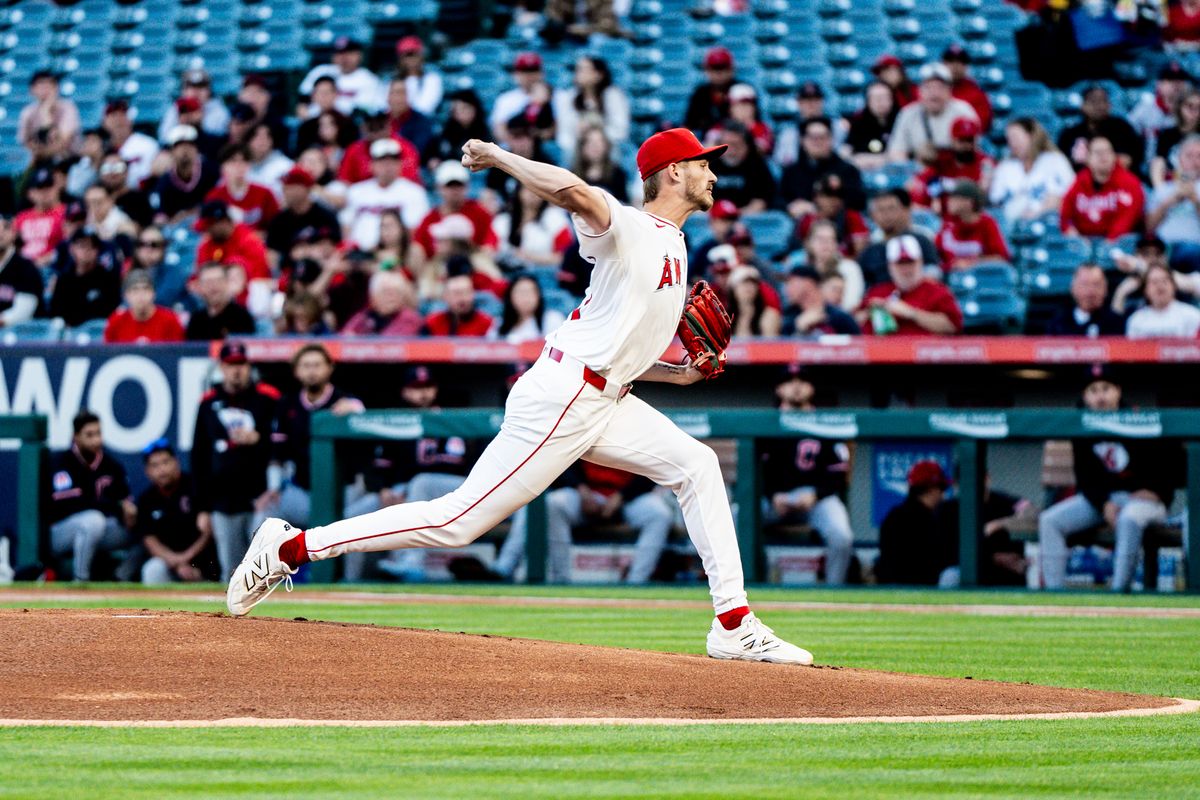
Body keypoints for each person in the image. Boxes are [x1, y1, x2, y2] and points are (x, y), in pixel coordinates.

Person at [228, 126, 816, 666]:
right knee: (456, 522)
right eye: (702, 164)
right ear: (672, 173)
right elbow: (575, 192)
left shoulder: (676, 244)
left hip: (606, 395)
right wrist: (499, 157)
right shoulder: (631, 225)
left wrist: (677, 375)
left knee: (698, 464)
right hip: (565, 396)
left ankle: (733, 623)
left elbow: (623, 351)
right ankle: (292, 547)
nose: (713, 174)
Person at [1038, 367, 1179, 592]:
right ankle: (1054, 593)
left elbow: (1173, 467)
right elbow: (1085, 478)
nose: (1100, 396)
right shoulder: (1081, 425)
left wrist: (1157, 491)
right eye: (1093, 390)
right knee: (1049, 520)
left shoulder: (1140, 419)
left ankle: (1118, 592)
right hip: (1103, 501)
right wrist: (1103, 503)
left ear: (1118, 392)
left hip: (1144, 502)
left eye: (1106, 389)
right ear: (1086, 397)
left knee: (1128, 518)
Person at [341, 365, 481, 582]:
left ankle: (410, 559)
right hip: (404, 492)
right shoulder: (396, 422)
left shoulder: (451, 418)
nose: (423, 392)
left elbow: (466, 464)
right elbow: (377, 469)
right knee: (353, 515)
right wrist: (384, 491)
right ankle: (349, 581)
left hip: (454, 490)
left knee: (421, 482)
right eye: (416, 387)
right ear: (405, 391)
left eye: (427, 386)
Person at [193, 341, 280, 582]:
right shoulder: (208, 402)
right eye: (231, 365)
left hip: (260, 495)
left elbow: (282, 444)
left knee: (264, 566)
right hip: (224, 497)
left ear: (248, 365)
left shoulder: (267, 398)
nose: (237, 370)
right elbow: (199, 455)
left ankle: (274, 617)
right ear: (222, 367)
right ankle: (232, 620)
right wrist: (202, 506)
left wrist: (259, 439)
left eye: (241, 364)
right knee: (231, 572)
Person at [760, 365, 854, 585]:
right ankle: (747, 584)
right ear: (779, 389)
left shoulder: (826, 423)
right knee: (735, 518)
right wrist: (772, 495)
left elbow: (839, 473)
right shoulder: (766, 423)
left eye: (802, 380)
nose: (796, 387)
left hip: (816, 500)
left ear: (812, 388)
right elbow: (754, 472)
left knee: (842, 535)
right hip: (774, 501)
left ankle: (834, 594)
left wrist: (816, 494)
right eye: (789, 381)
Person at [256, 343, 364, 530]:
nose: (312, 371)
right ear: (296, 371)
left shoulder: (344, 400)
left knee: (355, 522)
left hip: (343, 491)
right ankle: (257, 560)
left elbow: (362, 413)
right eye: (306, 366)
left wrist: (355, 411)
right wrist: (273, 488)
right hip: (302, 490)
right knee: (266, 510)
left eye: (317, 365)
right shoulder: (287, 404)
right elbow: (277, 454)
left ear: (330, 368)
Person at [46, 411, 136, 582]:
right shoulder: (61, 462)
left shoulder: (111, 465)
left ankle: (120, 579)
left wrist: (129, 511)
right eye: (89, 435)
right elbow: (70, 504)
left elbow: (124, 500)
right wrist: (115, 506)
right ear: (76, 437)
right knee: (93, 520)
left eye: (98, 433)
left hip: (99, 531)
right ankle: (81, 581)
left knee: (142, 529)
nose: (96, 440)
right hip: (60, 533)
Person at [137, 440, 219, 585]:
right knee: (152, 570)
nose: (162, 469)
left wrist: (186, 559)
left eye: (165, 462)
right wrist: (176, 562)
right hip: (170, 562)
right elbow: (150, 540)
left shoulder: (196, 488)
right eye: (155, 465)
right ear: (147, 471)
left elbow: (208, 531)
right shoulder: (146, 500)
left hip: (203, 561)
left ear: (176, 462)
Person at [858, 235, 963, 336]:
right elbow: (854, 324)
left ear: (920, 262)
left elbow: (953, 326)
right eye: (900, 263)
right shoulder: (877, 292)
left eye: (910, 262)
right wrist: (870, 312)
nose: (906, 269)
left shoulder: (938, 291)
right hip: (881, 351)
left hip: (924, 351)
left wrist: (910, 313)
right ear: (890, 266)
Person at [341, 138, 430, 250]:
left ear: (400, 164)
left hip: (396, 254)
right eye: (382, 160)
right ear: (371, 164)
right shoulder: (356, 191)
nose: (387, 165)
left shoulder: (414, 192)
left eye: (392, 160)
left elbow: (415, 230)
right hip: (359, 255)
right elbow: (346, 226)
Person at [875, 460, 954, 586]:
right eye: (941, 488)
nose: (942, 494)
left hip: (890, 586)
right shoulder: (932, 519)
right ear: (931, 489)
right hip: (921, 586)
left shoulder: (894, 514)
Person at [989, 117, 1077, 227]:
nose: (1012, 143)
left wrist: (1044, 209)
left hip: (1050, 224)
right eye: (1009, 139)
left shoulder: (1055, 160)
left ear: (1031, 136)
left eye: (1016, 137)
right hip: (1013, 227)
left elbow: (1073, 194)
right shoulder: (1004, 167)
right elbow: (996, 202)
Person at [886, 64, 979, 164]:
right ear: (919, 91)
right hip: (920, 172)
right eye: (928, 87)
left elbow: (976, 151)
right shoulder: (908, 114)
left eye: (940, 87)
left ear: (950, 90)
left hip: (956, 172)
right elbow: (896, 153)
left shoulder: (964, 111)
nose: (934, 94)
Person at [194, 200, 272, 314]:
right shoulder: (207, 245)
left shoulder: (248, 241)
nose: (207, 230)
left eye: (210, 225)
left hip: (247, 301)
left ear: (223, 222)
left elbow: (258, 279)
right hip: (213, 301)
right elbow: (198, 275)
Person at [1060, 136, 1146, 241]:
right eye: (1098, 152)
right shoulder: (1079, 181)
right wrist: (1076, 239)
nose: (1103, 156)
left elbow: (1127, 220)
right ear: (1088, 158)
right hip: (1084, 243)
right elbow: (1066, 216)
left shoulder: (1130, 183)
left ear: (1114, 156)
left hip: (1119, 244)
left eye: (1107, 152)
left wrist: (1107, 245)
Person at [412, 161, 498, 263]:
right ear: (439, 188)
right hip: (438, 268)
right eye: (449, 186)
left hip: (472, 265)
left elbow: (490, 241)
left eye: (459, 185)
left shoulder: (479, 213)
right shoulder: (430, 219)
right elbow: (419, 246)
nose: (455, 190)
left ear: (467, 186)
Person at [780, 117, 866, 219]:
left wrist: (821, 207)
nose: (818, 142)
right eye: (812, 137)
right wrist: (791, 207)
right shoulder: (791, 172)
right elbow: (779, 201)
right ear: (802, 141)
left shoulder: (847, 170)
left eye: (822, 137)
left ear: (831, 139)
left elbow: (858, 201)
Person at [858, 188, 941, 286]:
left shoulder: (921, 241)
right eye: (880, 210)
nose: (886, 214)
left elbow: (934, 275)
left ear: (903, 210)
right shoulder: (869, 252)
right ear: (873, 216)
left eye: (891, 208)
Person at [553, 56, 630, 159]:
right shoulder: (568, 97)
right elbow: (564, 135)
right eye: (577, 69)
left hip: (607, 150)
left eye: (583, 69)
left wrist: (595, 133)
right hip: (576, 151)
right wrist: (579, 137)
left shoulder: (613, 96)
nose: (578, 72)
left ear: (598, 75)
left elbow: (621, 131)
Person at [265, 167, 342, 270]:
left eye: (290, 187)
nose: (285, 191)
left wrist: (305, 252)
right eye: (285, 187)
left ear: (305, 188)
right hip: (288, 274)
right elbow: (272, 256)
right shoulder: (279, 220)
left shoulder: (325, 215)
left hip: (322, 271)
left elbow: (331, 248)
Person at [910, 117, 995, 208]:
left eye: (970, 140)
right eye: (962, 140)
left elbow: (982, 191)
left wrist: (950, 185)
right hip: (939, 213)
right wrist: (935, 198)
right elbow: (924, 179)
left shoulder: (985, 162)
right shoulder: (942, 159)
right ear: (953, 140)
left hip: (968, 213)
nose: (966, 145)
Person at [1057, 85, 1145, 174]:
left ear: (1109, 105)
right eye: (1093, 101)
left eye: (1104, 101)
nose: (1100, 105)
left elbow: (1127, 160)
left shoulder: (1122, 128)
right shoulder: (1070, 134)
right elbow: (1062, 164)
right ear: (1083, 105)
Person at [1146, 134, 1200, 271]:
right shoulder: (1163, 189)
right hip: (1163, 249)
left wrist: (1194, 200)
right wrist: (1171, 200)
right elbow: (1149, 227)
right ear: (1178, 159)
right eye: (1189, 156)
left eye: (1198, 156)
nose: (1194, 161)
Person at [49, 229, 121, 327]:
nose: (87, 250)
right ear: (72, 249)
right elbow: (56, 313)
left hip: (97, 334)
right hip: (69, 335)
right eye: (82, 246)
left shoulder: (109, 279)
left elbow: (112, 312)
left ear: (98, 250)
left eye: (93, 246)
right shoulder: (64, 280)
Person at [935, 181, 1011, 270]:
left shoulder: (987, 223)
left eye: (954, 198)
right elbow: (937, 256)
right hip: (952, 277)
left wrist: (971, 263)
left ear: (969, 202)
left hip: (980, 278)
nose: (949, 201)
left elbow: (1001, 259)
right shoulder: (948, 223)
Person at [493, 184, 574, 268]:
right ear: (518, 191)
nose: (532, 194)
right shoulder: (502, 220)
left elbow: (563, 257)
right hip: (504, 270)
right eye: (527, 189)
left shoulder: (556, 219)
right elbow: (488, 250)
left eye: (537, 190)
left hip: (543, 273)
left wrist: (529, 257)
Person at [298, 37, 382, 117]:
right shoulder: (320, 71)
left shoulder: (369, 79)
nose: (344, 57)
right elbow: (302, 101)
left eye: (349, 52)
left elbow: (366, 110)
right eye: (339, 53)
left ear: (359, 55)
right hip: (317, 123)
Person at [153, 125, 219, 224]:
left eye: (189, 145)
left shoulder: (211, 172)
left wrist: (190, 213)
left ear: (196, 148)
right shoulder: (165, 181)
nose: (185, 150)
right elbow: (160, 215)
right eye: (180, 146)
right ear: (172, 151)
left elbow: (219, 202)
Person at [792, 174, 870, 257]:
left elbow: (861, 253)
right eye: (828, 195)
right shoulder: (807, 220)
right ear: (816, 197)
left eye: (838, 195)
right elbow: (806, 254)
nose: (834, 200)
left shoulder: (852, 217)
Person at [205, 145, 279, 232]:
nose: (239, 165)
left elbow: (276, 228)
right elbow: (207, 230)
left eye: (244, 160)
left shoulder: (265, 194)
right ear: (223, 167)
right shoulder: (214, 197)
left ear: (249, 165)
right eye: (233, 161)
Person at [1127, 62, 1191, 158]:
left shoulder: (1193, 111)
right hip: (1146, 167)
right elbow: (1127, 136)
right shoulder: (1144, 109)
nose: (1176, 84)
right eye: (1170, 79)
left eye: (1180, 79)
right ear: (1159, 84)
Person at [103, 269, 185, 343]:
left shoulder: (170, 320)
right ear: (126, 296)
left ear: (154, 293)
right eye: (135, 289)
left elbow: (178, 353)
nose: (141, 295)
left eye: (146, 289)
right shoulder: (116, 322)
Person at [709, 123, 776, 213]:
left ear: (747, 146)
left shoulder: (758, 166)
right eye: (724, 144)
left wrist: (732, 217)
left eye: (735, 144)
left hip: (748, 219)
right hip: (711, 219)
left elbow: (760, 202)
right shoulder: (708, 164)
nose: (730, 150)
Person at [1046, 264, 1126, 337]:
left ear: (1105, 289)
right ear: (1073, 288)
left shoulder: (1115, 322)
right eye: (1085, 284)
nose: (1090, 291)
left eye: (1096, 285)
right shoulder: (1059, 322)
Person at [801, 220, 864, 312]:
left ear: (836, 245)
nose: (826, 243)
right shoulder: (802, 271)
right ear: (809, 243)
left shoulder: (849, 268)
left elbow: (851, 305)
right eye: (820, 239)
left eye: (831, 239)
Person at [184, 261, 257, 340]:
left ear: (227, 282)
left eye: (218, 280)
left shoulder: (242, 317)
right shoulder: (196, 321)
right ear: (200, 286)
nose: (213, 287)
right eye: (208, 282)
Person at [782, 265, 860, 336]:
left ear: (808, 283)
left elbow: (859, 348)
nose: (786, 289)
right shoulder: (789, 318)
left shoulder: (841, 319)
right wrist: (800, 330)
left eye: (791, 283)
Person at [1125, 263, 1200, 337]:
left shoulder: (1193, 316)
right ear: (1145, 290)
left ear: (1174, 286)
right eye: (1154, 282)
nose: (1160, 286)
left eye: (1164, 281)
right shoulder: (1136, 321)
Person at [423, 88, 490, 170]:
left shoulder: (485, 132)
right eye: (456, 110)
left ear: (474, 108)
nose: (460, 113)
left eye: (465, 108)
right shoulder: (446, 132)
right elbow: (431, 154)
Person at [157, 68, 230, 142]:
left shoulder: (219, 111)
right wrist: (182, 125)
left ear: (209, 90)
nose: (196, 91)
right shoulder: (176, 108)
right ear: (184, 90)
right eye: (191, 86)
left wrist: (198, 125)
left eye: (201, 86)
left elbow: (220, 139)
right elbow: (164, 138)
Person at [341, 270, 424, 336]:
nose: (392, 297)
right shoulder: (362, 317)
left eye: (397, 292)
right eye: (386, 292)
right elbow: (345, 337)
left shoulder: (411, 319)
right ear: (373, 296)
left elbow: (390, 345)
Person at [18, 70, 79, 158]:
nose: (45, 90)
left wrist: (45, 113)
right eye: (41, 86)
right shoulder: (27, 112)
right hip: (38, 160)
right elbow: (25, 143)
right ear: (32, 90)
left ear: (56, 88)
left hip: (67, 160)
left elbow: (61, 144)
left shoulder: (68, 108)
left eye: (49, 86)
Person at [101, 100, 160, 189]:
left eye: (122, 114)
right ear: (104, 123)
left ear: (131, 120)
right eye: (113, 115)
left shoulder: (147, 144)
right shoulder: (100, 148)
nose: (118, 120)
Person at [492, 273, 566, 343]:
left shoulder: (553, 319)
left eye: (530, 292)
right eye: (521, 292)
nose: (526, 297)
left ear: (538, 296)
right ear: (510, 296)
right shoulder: (498, 324)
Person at [490, 52, 550, 139]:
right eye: (524, 71)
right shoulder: (505, 99)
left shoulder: (555, 96)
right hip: (511, 148)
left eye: (533, 71)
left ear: (541, 73)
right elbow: (499, 131)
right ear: (516, 74)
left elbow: (554, 130)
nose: (529, 76)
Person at [14, 167, 65, 266]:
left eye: (49, 186)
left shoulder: (66, 213)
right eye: (40, 188)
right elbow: (13, 245)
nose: (45, 192)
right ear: (30, 193)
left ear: (57, 188)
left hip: (52, 265)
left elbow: (70, 245)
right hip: (23, 267)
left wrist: (44, 260)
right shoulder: (21, 217)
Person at [1150, 89, 1200, 188]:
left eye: (1198, 107)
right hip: (1173, 182)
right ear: (1179, 107)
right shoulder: (1167, 134)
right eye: (1189, 106)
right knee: (1156, 163)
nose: (1194, 111)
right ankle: (1160, 194)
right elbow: (1159, 163)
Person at [0, 214, 43, 328]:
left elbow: (24, 311)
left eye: (6, 228)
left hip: (19, 334)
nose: (0, 232)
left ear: (14, 233)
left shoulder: (26, 267)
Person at [844, 81, 898, 170]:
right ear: (868, 101)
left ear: (892, 99)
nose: (880, 102)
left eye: (884, 97)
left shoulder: (901, 120)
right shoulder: (858, 123)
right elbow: (846, 151)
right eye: (876, 98)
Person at [421, 272, 495, 336]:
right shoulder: (433, 324)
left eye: (467, 293)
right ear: (445, 297)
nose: (463, 299)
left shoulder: (487, 324)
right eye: (457, 294)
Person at [684, 47, 739, 133]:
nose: (719, 73)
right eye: (715, 68)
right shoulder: (700, 94)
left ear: (731, 69)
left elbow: (752, 125)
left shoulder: (742, 90)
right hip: (705, 142)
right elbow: (689, 125)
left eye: (723, 67)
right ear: (707, 70)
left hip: (735, 139)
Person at [572, 125, 631, 203]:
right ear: (582, 147)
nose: (595, 146)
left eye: (599, 142)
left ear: (606, 146)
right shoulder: (573, 175)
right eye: (590, 142)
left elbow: (624, 203)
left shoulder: (617, 174)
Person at [941, 44, 992, 132]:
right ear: (942, 64)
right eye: (950, 61)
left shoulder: (977, 94)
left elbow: (981, 125)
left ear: (966, 66)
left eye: (961, 62)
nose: (955, 66)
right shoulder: (933, 91)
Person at [384, 78, 436, 157]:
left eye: (402, 93)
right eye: (394, 93)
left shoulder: (421, 122)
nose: (398, 98)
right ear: (388, 97)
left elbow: (417, 150)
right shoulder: (380, 121)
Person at [394, 36, 443, 117]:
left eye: (413, 54)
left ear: (421, 56)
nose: (411, 59)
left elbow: (425, 108)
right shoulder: (392, 81)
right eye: (406, 55)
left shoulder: (432, 79)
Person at [728, 266, 781, 336]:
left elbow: (770, 344)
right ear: (733, 288)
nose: (749, 286)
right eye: (744, 282)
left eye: (753, 283)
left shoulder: (769, 315)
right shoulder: (726, 318)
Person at [245, 123, 295, 198]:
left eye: (266, 137)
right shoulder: (239, 164)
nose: (261, 141)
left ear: (272, 141)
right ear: (249, 141)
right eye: (257, 137)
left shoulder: (286, 166)